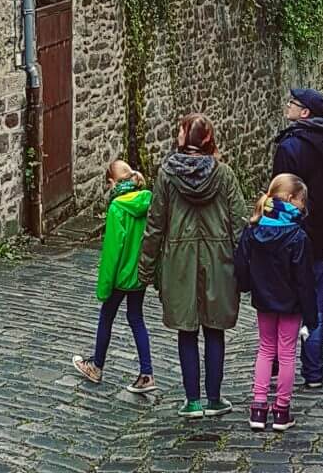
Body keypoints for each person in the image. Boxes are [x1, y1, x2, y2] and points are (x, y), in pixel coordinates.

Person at [139, 113, 247, 420]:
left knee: (187, 332)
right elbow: (239, 223)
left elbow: (155, 225)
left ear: (187, 138)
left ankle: (192, 401)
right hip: (219, 260)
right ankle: (214, 398)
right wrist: (246, 267)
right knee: (215, 330)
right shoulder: (224, 174)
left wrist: (145, 269)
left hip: (179, 261)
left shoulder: (167, 174)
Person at [272, 88, 323, 390]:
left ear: (304, 113)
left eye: (293, 104)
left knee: (283, 301)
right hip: (319, 239)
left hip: (291, 235)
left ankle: (279, 364)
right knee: (315, 305)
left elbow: (279, 195)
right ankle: (313, 371)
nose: (288, 106)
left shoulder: (290, 147)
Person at [234, 173, 320, 432]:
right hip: (291, 304)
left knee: (265, 350)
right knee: (286, 355)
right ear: (292, 199)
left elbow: (241, 263)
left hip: (264, 301)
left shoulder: (254, 228)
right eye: (302, 202)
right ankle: (281, 411)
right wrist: (311, 313)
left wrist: (249, 286)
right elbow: (305, 280)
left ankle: (258, 407)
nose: (304, 208)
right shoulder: (297, 237)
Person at [71, 159, 155, 392]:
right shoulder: (147, 200)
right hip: (139, 274)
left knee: (106, 317)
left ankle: (96, 366)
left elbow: (112, 253)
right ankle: (147, 373)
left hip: (120, 277)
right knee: (136, 318)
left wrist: (104, 287)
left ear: (111, 182)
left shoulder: (117, 207)